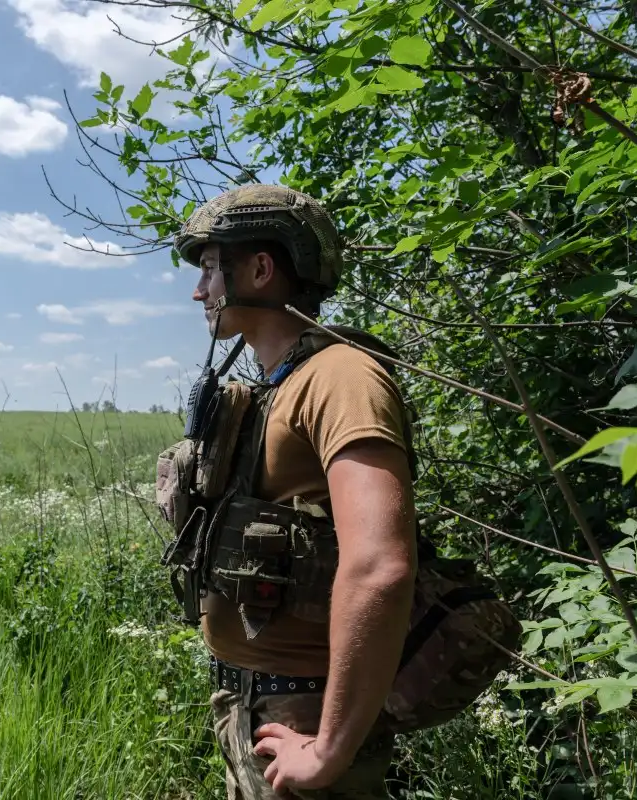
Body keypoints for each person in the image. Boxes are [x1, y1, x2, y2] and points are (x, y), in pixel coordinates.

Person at [159, 185, 419, 798]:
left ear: (260, 269)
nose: (199, 292)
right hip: (256, 707)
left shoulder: (341, 378)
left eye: (209, 269)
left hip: (302, 715)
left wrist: (329, 749)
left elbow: (381, 566)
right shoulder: (279, 383)